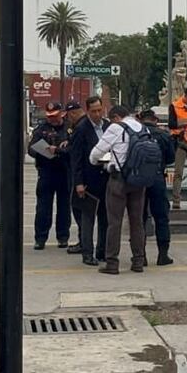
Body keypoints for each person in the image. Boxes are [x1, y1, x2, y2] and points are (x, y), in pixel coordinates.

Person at [91, 105, 148, 274]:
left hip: (119, 180)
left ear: (115, 117)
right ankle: (138, 261)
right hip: (139, 180)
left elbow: (95, 154)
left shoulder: (116, 128)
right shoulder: (142, 127)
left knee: (114, 222)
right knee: (136, 222)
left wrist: (99, 162)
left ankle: (112, 263)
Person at [70, 97, 109, 265]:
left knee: (105, 218)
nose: (97, 114)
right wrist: (78, 182)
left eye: (99, 110)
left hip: (106, 178)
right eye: (94, 111)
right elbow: (76, 158)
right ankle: (87, 253)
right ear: (88, 111)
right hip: (88, 180)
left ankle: (102, 251)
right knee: (88, 219)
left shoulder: (108, 126)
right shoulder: (81, 129)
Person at [28, 101, 72, 250]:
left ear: (61, 113)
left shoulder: (69, 128)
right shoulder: (42, 129)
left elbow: (74, 149)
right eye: (49, 116)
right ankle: (40, 238)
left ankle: (63, 237)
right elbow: (31, 149)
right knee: (43, 208)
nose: (51, 119)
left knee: (64, 207)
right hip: (46, 171)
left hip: (64, 171)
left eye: (54, 116)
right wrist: (46, 151)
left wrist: (59, 151)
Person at [140, 108, 177, 266]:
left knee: (138, 218)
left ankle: (140, 255)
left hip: (139, 180)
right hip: (157, 178)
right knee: (161, 217)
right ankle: (163, 254)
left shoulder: (136, 134)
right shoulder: (163, 135)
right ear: (155, 119)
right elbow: (170, 158)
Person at [61, 102, 86, 254]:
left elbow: (76, 154)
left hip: (79, 175)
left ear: (73, 113)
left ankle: (84, 243)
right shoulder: (83, 126)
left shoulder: (80, 128)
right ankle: (84, 242)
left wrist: (59, 149)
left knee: (79, 210)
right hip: (80, 174)